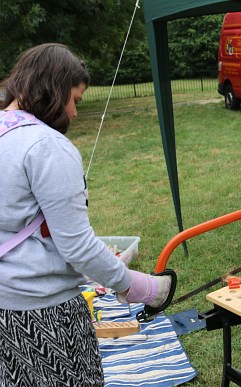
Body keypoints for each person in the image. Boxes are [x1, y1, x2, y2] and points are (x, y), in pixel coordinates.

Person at [0, 43, 171, 387]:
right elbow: (77, 246)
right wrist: (139, 286)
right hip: (44, 313)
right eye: (75, 100)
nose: (75, 114)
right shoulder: (47, 147)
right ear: (54, 88)